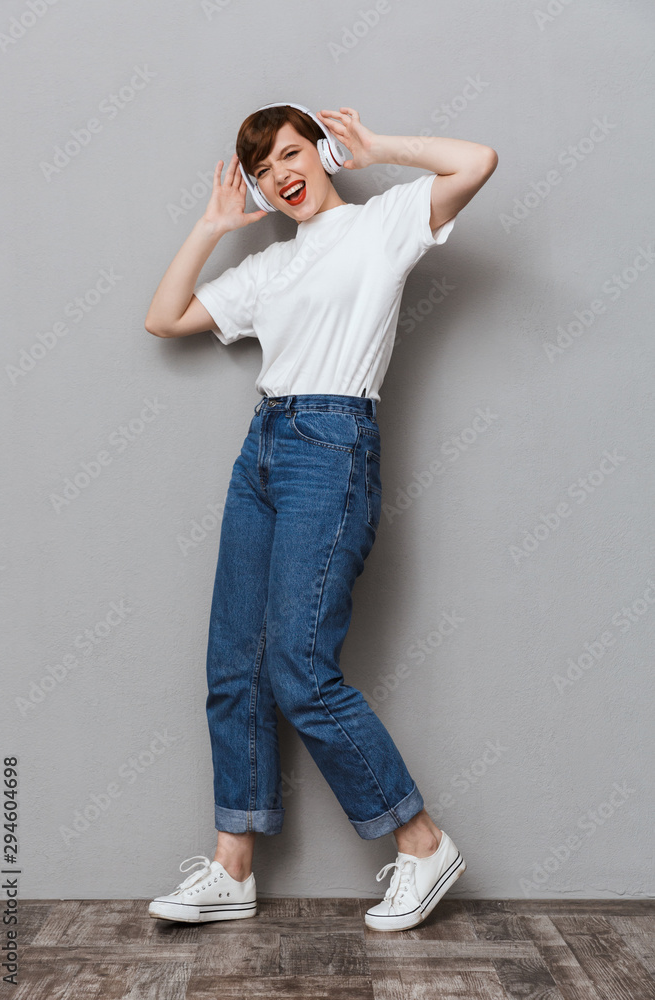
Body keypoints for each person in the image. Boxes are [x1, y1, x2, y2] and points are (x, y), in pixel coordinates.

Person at [144, 103, 498, 932]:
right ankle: (233, 868)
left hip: (331, 444)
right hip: (263, 445)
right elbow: (165, 319)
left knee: (298, 666)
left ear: (322, 152)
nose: (280, 175)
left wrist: (382, 147)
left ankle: (420, 841)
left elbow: (476, 160)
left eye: (291, 154)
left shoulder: (383, 226)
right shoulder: (270, 269)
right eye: (264, 169)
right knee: (235, 662)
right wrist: (211, 225)